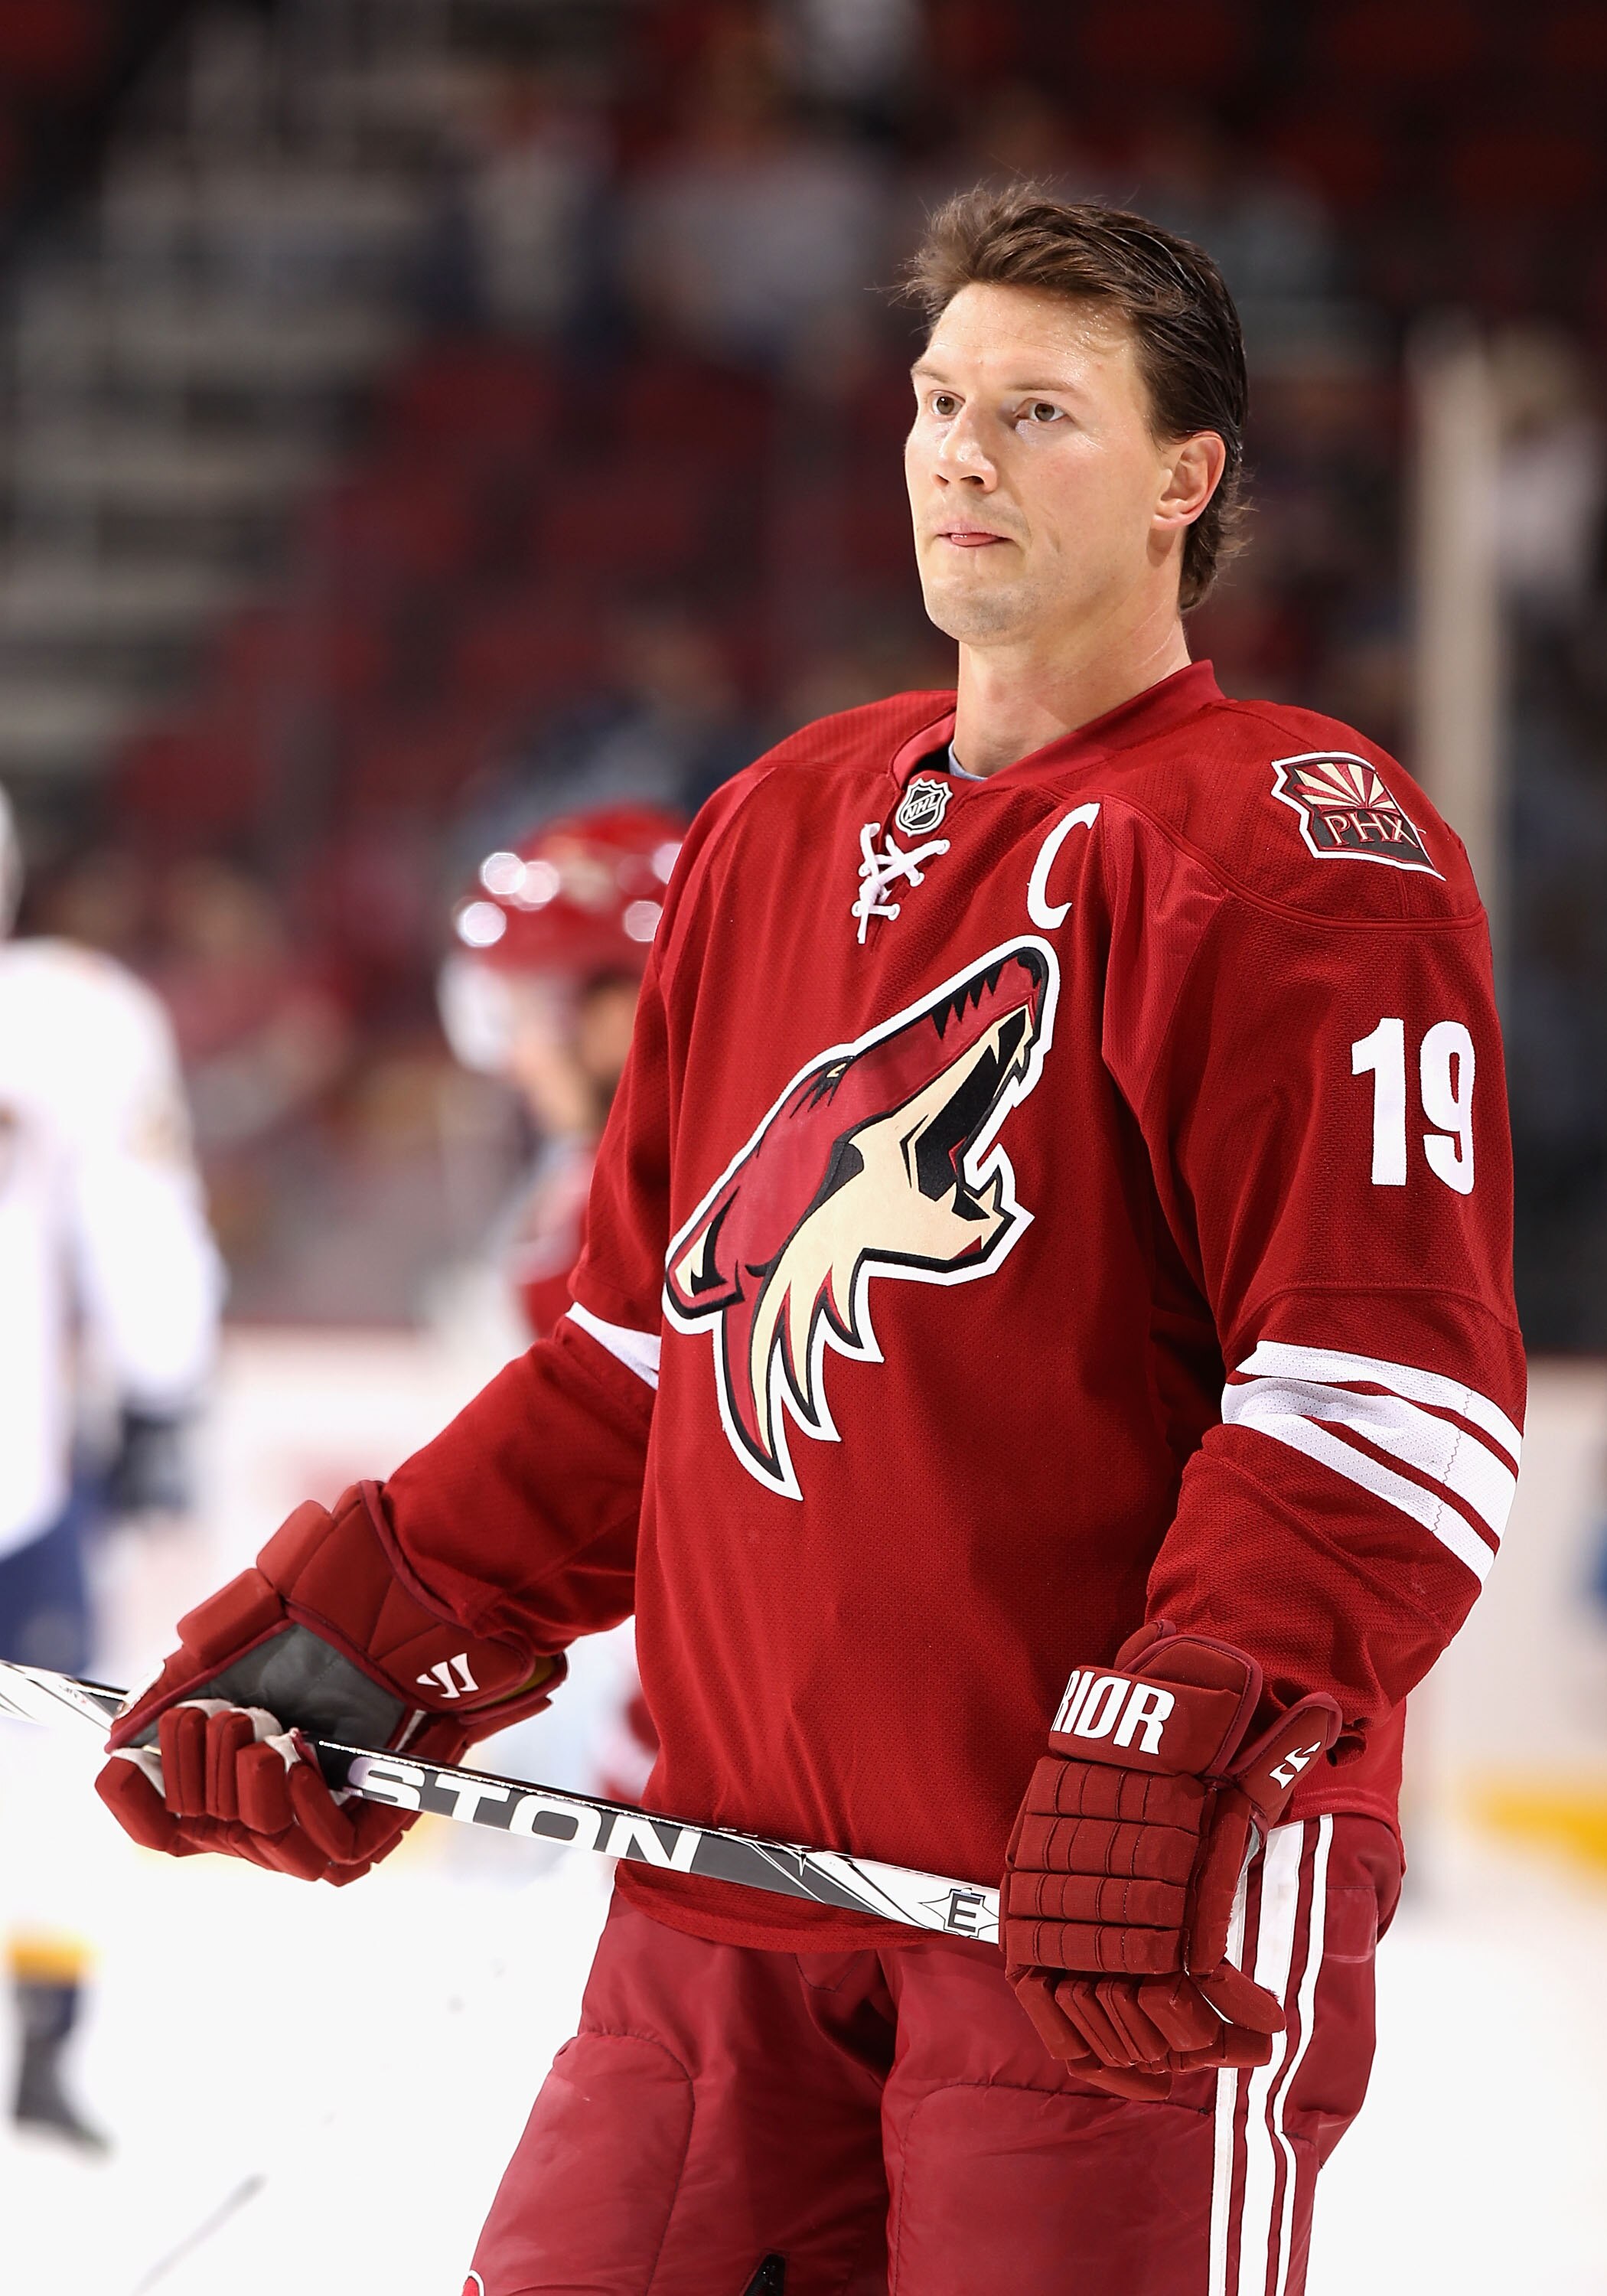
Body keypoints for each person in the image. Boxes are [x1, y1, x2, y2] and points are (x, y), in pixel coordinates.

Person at [95, 188, 1522, 2295]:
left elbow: (1385, 1395)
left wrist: (1183, 1727)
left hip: (1087, 1942)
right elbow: (636, 1366)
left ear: (1181, 481)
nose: (957, 451)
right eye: (941, 400)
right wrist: (368, 1627)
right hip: (726, 1909)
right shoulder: (775, 822)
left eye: (1037, 412)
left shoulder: (1291, 850)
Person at [0, 783, 223, 2145]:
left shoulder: (61, 1020)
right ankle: (43, 2032)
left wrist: (154, 1392)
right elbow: (143, 1232)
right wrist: (160, 1396)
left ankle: (48, 2029)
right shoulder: (68, 1015)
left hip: (22, 1467)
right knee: (36, 1757)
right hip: (18, 1477)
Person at [439, 803, 684, 1793]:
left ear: (630, 1003)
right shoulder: (599, 1183)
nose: (518, 1053)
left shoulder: (692, 1196)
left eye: (530, 1009)